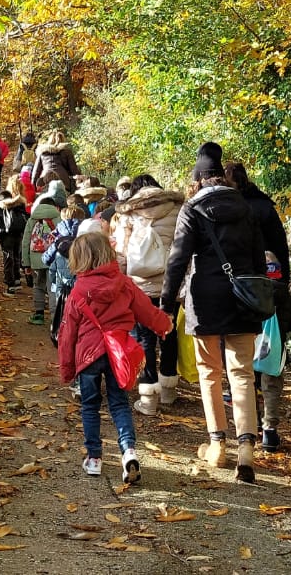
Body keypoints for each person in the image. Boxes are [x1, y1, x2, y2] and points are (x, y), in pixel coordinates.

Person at [160, 141, 268, 483]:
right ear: (222, 175)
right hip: (242, 298)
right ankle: (247, 449)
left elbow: (178, 260)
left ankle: (217, 445)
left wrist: (165, 303)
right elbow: (257, 258)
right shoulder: (246, 208)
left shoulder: (191, 209)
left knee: (209, 371)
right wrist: (261, 297)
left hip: (205, 298)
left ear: (199, 177)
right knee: (242, 374)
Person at [57, 231, 173, 483]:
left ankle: (95, 458)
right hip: (117, 352)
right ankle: (128, 450)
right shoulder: (124, 283)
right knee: (119, 403)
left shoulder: (79, 291)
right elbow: (146, 310)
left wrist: (67, 368)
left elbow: (68, 332)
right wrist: (164, 325)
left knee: (90, 405)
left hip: (88, 356)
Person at [225, 161, 291, 452]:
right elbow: (282, 249)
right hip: (273, 292)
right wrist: (283, 287)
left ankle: (250, 424)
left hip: (242, 291)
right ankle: (270, 429)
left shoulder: (231, 210)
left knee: (245, 363)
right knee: (272, 365)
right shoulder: (266, 207)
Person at [112, 173, 185, 415]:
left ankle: (148, 398)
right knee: (169, 333)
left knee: (144, 339)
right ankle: (168, 392)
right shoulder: (176, 209)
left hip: (139, 286)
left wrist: (121, 283)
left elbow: (121, 252)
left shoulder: (129, 212)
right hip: (169, 286)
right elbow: (184, 249)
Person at [22, 179, 68, 324]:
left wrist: (26, 263)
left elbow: (25, 242)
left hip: (35, 258)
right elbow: (63, 238)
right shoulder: (57, 218)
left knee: (38, 285)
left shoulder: (32, 219)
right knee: (52, 286)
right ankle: (55, 318)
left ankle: (39, 314)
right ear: (54, 206)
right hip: (53, 258)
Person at [46, 199, 87, 343]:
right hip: (80, 285)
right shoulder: (85, 240)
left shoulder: (58, 239)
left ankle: (63, 337)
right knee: (79, 313)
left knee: (61, 310)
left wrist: (51, 283)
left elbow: (47, 260)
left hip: (61, 284)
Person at [0, 190, 29, 294]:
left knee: (8, 257)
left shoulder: (2, 207)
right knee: (16, 257)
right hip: (19, 235)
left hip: (7, 236)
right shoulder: (19, 206)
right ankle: (17, 281)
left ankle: (10, 284)